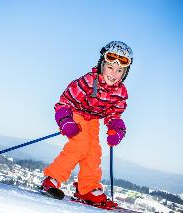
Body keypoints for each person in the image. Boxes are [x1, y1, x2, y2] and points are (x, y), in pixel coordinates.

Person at [41, 41, 133, 205]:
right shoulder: (89, 81)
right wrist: (66, 121)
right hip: (77, 113)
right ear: (102, 65)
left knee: (93, 151)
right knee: (80, 145)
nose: (114, 73)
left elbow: (115, 114)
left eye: (120, 70)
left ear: (125, 73)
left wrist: (115, 129)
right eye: (110, 67)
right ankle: (52, 180)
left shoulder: (121, 92)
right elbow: (64, 102)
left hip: (94, 120)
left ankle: (87, 189)